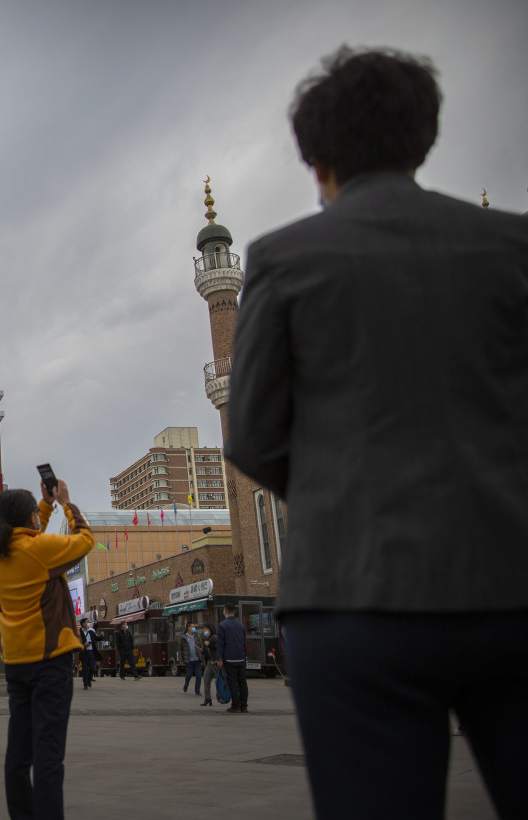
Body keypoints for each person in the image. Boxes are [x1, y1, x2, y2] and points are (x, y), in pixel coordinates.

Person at [225, 46, 528, 820]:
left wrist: (339, 495)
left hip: (353, 599)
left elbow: (253, 433)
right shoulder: (512, 246)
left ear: (315, 156)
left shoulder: (286, 258)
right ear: (422, 138)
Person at [0, 477, 94, 820]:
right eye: (34, 513)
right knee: (49, 757)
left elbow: (31, 538)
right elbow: (85, 540)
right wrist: (66, 503)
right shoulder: (39, 550)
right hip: (50, 662)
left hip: (17, 662)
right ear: (29, 518)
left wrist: (43, 507)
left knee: (19, 755)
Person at [215, 605, 247, 713]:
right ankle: (244, 705)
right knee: (242, 682)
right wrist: (245, 657)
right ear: (235, 611)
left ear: (224, 612)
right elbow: (244, 643)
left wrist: (219, 658)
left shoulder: (222, 625)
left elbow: (221, 643)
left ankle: (236, 706)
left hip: (229, 658)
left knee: (232, 682)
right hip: (241, 657)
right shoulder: (241, 626)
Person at [179, 622, 202, 695]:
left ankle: (197, 690)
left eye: (194, 626)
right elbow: (180, 649)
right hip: (188, 659)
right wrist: (181, 659)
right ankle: (186, 685)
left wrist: (201, 650)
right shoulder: (183, 637)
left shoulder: (197, 636)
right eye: (192, 626)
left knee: (199, 675)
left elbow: (201, 645)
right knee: (189, 674)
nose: (194, 628)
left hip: (197, 659)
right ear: (188, 628)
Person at [199, 624, 217, 706]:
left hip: (215, 662)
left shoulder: (214, 637)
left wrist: (209, 644)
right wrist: (202, 651)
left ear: (210, 629)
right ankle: (207, 698)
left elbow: (218, 648)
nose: (204, 631)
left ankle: (230, 696)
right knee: (206, 679)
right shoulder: (206, 638)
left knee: (222, 679)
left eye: (206, 629)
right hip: (209, 662)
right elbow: (206, 651)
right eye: (204, 629)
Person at [78, 618, 97, 690]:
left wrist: (101, 636)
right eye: (87, 622)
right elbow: (77, 641)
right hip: (84, 652)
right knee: (85, 669)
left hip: (91, 651)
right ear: (83, 624)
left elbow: (96, 638)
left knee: (92, 668)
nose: (88, 623)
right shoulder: (79, 632)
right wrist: (84, 644)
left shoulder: (90, 631)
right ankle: (85, 684)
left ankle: (89, 680)